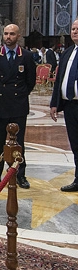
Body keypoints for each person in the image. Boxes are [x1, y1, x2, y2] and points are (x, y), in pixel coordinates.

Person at [0, 24, 36, 189]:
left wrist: (19, 94)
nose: (8, 37)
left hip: (18, 105)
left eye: (12, 34)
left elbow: (30, 81)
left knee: (18, 142)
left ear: (18, 36)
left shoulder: (26, 56)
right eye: (6, 33)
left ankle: (19, 174)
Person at [50, 18, 78, 192]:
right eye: (73, 28)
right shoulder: (68, 52)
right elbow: (60, 79)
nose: (75, 31)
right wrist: (55, 103)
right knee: (75, 144)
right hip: (70, 105)